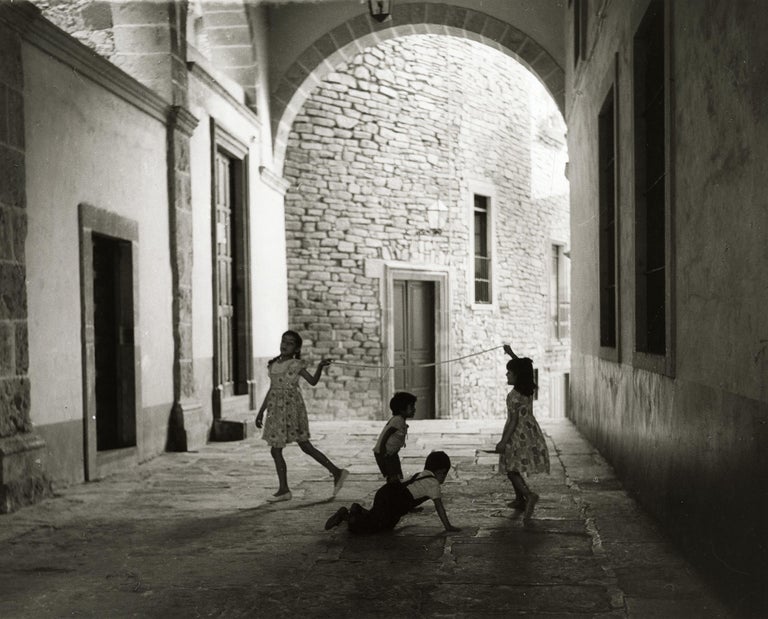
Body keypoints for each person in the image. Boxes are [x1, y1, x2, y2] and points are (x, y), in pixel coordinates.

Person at [255, 330, 348, 502]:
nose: (285, 345)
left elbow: (313, 381)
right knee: (276, 449)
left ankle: (336, 472)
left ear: (296, 348)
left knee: (305, 446)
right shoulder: (273, 365)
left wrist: (320, 366)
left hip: (291, 410)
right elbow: (271, 390)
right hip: (276, 410)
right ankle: (284, 489)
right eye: (283, 341)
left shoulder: (296, 364)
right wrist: (261, 412)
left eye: (290, 343)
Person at [324, 451, 460, 534]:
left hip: (387, 493)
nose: (444, 478)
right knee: (373, 527)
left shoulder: (421, 474)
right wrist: (448, 527)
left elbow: (410, 490)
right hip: (392, 502)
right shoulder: (434, 484)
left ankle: (357, 509)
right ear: (441, 472)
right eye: (445, 474)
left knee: (381, 521)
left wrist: (412, 508)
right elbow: (439, 507)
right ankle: (347, 516)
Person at [496, 350, 550, 520]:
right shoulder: (528, 390)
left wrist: (503, 441)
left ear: (517, 375)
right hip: (530, 433)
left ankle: (528, 495)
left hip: (517, 436)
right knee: (513, 466)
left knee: (511, 469)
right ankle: (519, 499)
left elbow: (512, 421)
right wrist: (511, 354)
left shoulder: (512, 396)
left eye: (509, 372)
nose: (506, 374)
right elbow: (525, 368)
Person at [373, 391, 416, 482]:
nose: (414, 409)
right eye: (411, 407)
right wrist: (382, 450)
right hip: (385, 454)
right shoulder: (397, 420)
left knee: (397, 475)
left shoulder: (400, 420)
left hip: (391, 454)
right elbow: (386, 434)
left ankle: (395, 491)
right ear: (402, 409)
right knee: (393, 476)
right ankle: (392, 493)